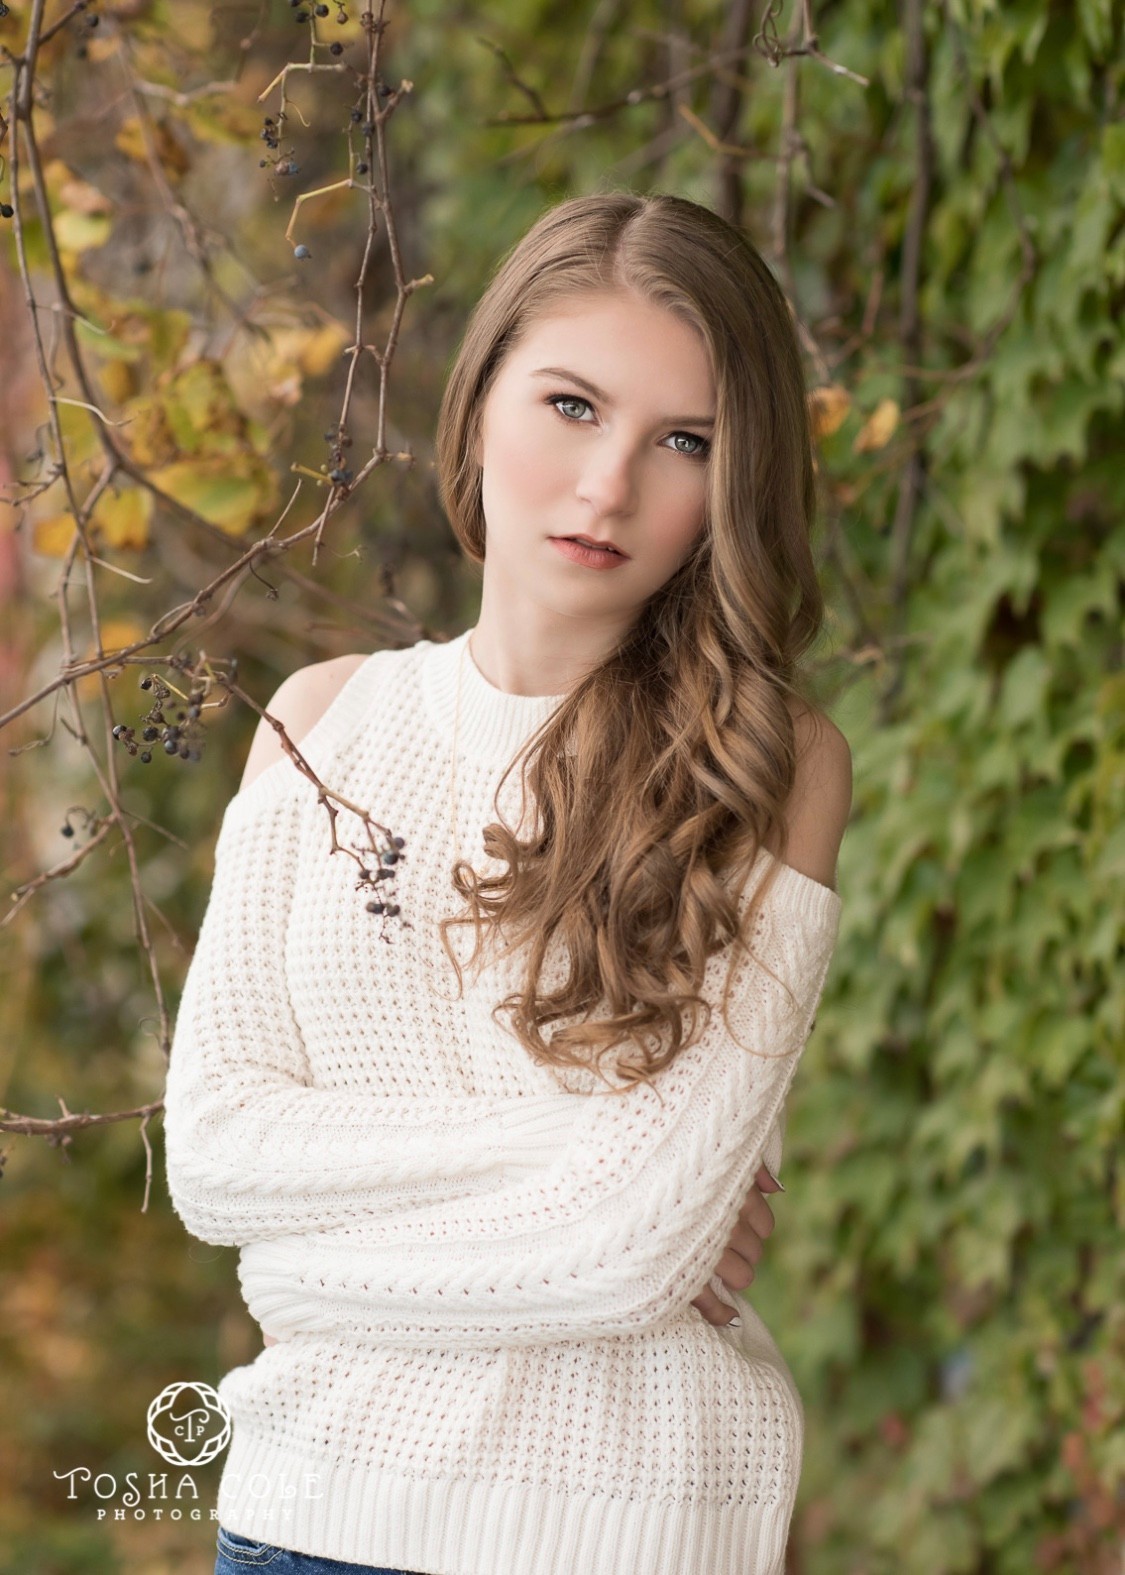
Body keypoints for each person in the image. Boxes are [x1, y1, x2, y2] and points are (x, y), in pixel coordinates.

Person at [163, 189, 852, 1575]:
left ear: (732, 484)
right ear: (480, 402)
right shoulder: (321, 726)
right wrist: (607, 1169)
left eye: (684, 441)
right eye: (571, 406)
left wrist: (300, 1272)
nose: (607, 487)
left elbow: (630, 1250)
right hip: (303, 1520)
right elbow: (218, 1156)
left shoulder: (765, 767)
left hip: (631, 1528)